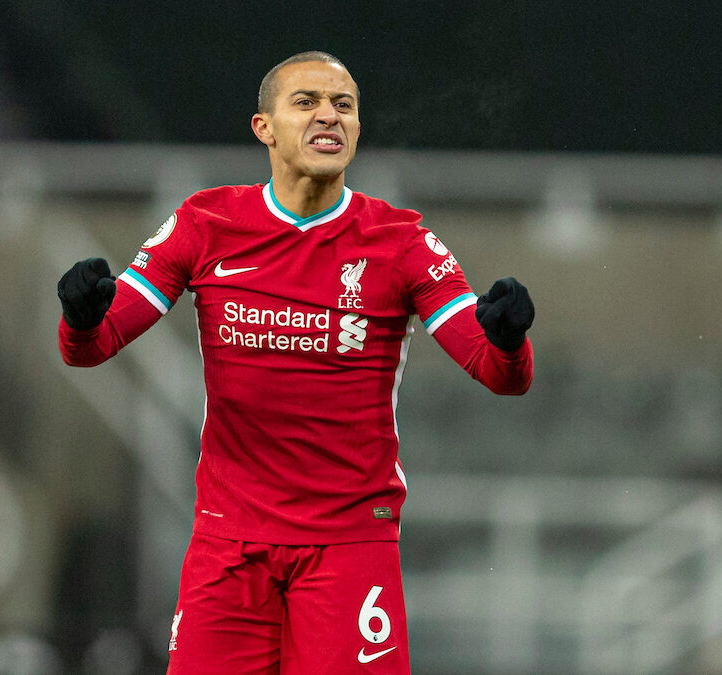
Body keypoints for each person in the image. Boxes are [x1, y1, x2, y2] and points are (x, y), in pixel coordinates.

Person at [56, 51, 534, 675]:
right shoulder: (206, 223)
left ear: (358, 130)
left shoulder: (402, 243)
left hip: (349, 544)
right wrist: (83, 316)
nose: (328, 117)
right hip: (229, 541)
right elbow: (94, 347)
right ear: (264, 127)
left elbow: (500, 374)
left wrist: (506, 337)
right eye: (305, 102)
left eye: (344, 106)